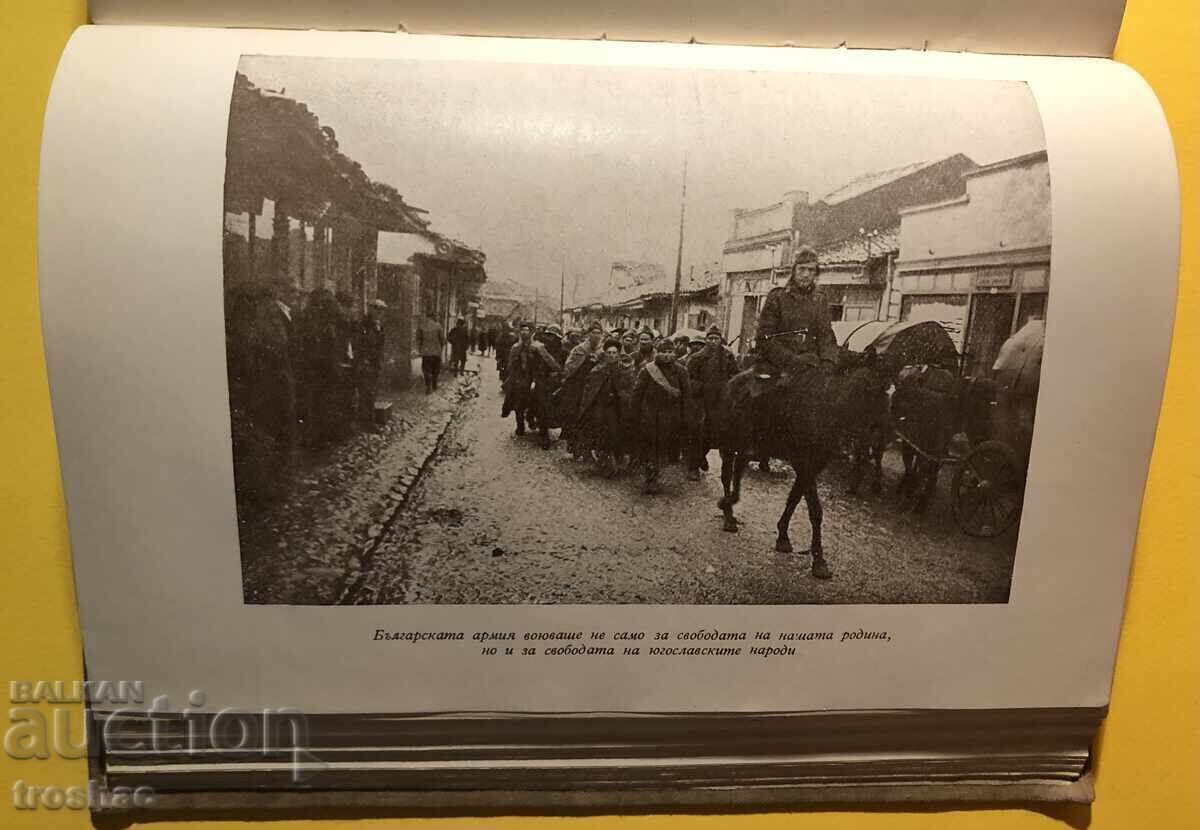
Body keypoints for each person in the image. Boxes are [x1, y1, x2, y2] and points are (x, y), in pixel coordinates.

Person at [749, 245, 837, 464]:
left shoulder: (820, 300)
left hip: (810, 364)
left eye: (811, 270)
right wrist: (789, 359)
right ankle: (758, 444)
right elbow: (765, 337)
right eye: (802, 269)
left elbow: (826, 335)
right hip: (778, 363)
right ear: (794, 271)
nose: (806, 274)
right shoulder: (777, 298)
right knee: (765, 399)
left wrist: (828, 360)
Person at [629, 337, 691, 494]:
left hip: (671, 417)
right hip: (649, 415)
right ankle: (651, 478)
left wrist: (685, 417)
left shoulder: (681, 371)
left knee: (663, 448)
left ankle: (657, 473)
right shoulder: (648, 370)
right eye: (663, 351)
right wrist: (634, 413)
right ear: (658, 353)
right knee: (650, 447)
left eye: (670, 351)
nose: (667, 355)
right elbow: (637, 393)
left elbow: (686, 396)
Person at [685, 324, 739, 480]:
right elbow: (688, 379)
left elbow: (736, 375)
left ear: (720, 340)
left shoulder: (728, 357)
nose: (713, 341)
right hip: (701, 402)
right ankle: (693, 467)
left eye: (716, 338)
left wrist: (728, 386)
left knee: (714, 435)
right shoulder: (696, 358)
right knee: (699, 434)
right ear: (706, 340)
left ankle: (701, 455)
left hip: (721, 402)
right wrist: (702, 387)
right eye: (710, 338)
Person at [575, 337, 633, 477]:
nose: (612, 355)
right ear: (605, 354)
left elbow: (629, 388)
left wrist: (623, 395)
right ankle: (603, 458)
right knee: (599, 427)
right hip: (600, 405)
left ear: (619, 354)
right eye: (609, 353)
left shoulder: (625, 370)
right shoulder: (598, 370)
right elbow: (589, 390)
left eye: (615, 353)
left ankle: (616, 456)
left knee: (618, 430)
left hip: (618, 407)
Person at [502, 322, 561, 445]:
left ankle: (544, 435)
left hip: (537, 379)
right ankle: (520, 426)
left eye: (527, 330)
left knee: (541, 405)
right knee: (517, 402)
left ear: (531, 332)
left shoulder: (539, 347)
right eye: (522, 330)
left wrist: (557, 370)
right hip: (520, 379)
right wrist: (513, 378)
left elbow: (549, 361)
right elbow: (510, 365)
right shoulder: (515, 347)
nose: (524, 332)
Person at [558, 321, 605, 455]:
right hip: (577, 387)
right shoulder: (579, 349)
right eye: (593, 333)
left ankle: (587, 446)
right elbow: (569, 368)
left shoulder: (602, 350)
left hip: (594, 388)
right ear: (588, 334)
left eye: (598, 333)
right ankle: (573, 444)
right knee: (574, 414)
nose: (596, 336)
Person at [355, 299, 387, 428]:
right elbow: (360, 344)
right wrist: (365, 361)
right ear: (371, 309)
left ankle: (368, 419)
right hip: (366, 364)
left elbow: (380, 344)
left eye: (382, 310)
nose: (380, 312)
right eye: (377, 309)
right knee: (366, 393)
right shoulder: (364, 325)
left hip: (375, 363)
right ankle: (367, 422)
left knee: (372, 392)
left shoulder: (379, 324)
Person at [416, 309, 445, 394]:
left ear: (427, 317)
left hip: (426, 353)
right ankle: (434, 383)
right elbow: (442, 340)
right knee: (436, 369)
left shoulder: (422, 326)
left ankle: (428, 386)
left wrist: (421, 348)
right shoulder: (438, 326)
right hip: (436, 353)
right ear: (433, 317)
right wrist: (440, 348)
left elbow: (418, 339)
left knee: (426, 370)